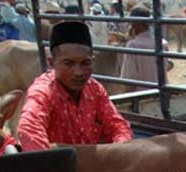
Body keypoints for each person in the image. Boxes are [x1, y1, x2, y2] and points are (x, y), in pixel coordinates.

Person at [18, 21, 133, 151]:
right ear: (52, 63)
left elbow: (117, 125)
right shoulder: (43, 91)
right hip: (60, 167)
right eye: (68, 63)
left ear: (93, 62)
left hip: (94, 165)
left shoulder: (94, 89)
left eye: (85, 63)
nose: (78, 72)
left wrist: (119, 150)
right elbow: (29, 128)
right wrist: (48, 164)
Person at [120, 5, 170, 91]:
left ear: (135, 24)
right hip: (162, 94)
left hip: (142, 97)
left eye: (132, 23)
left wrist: (130, 101)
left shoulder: (133, 46)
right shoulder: (163, 44)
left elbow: (129, 80)